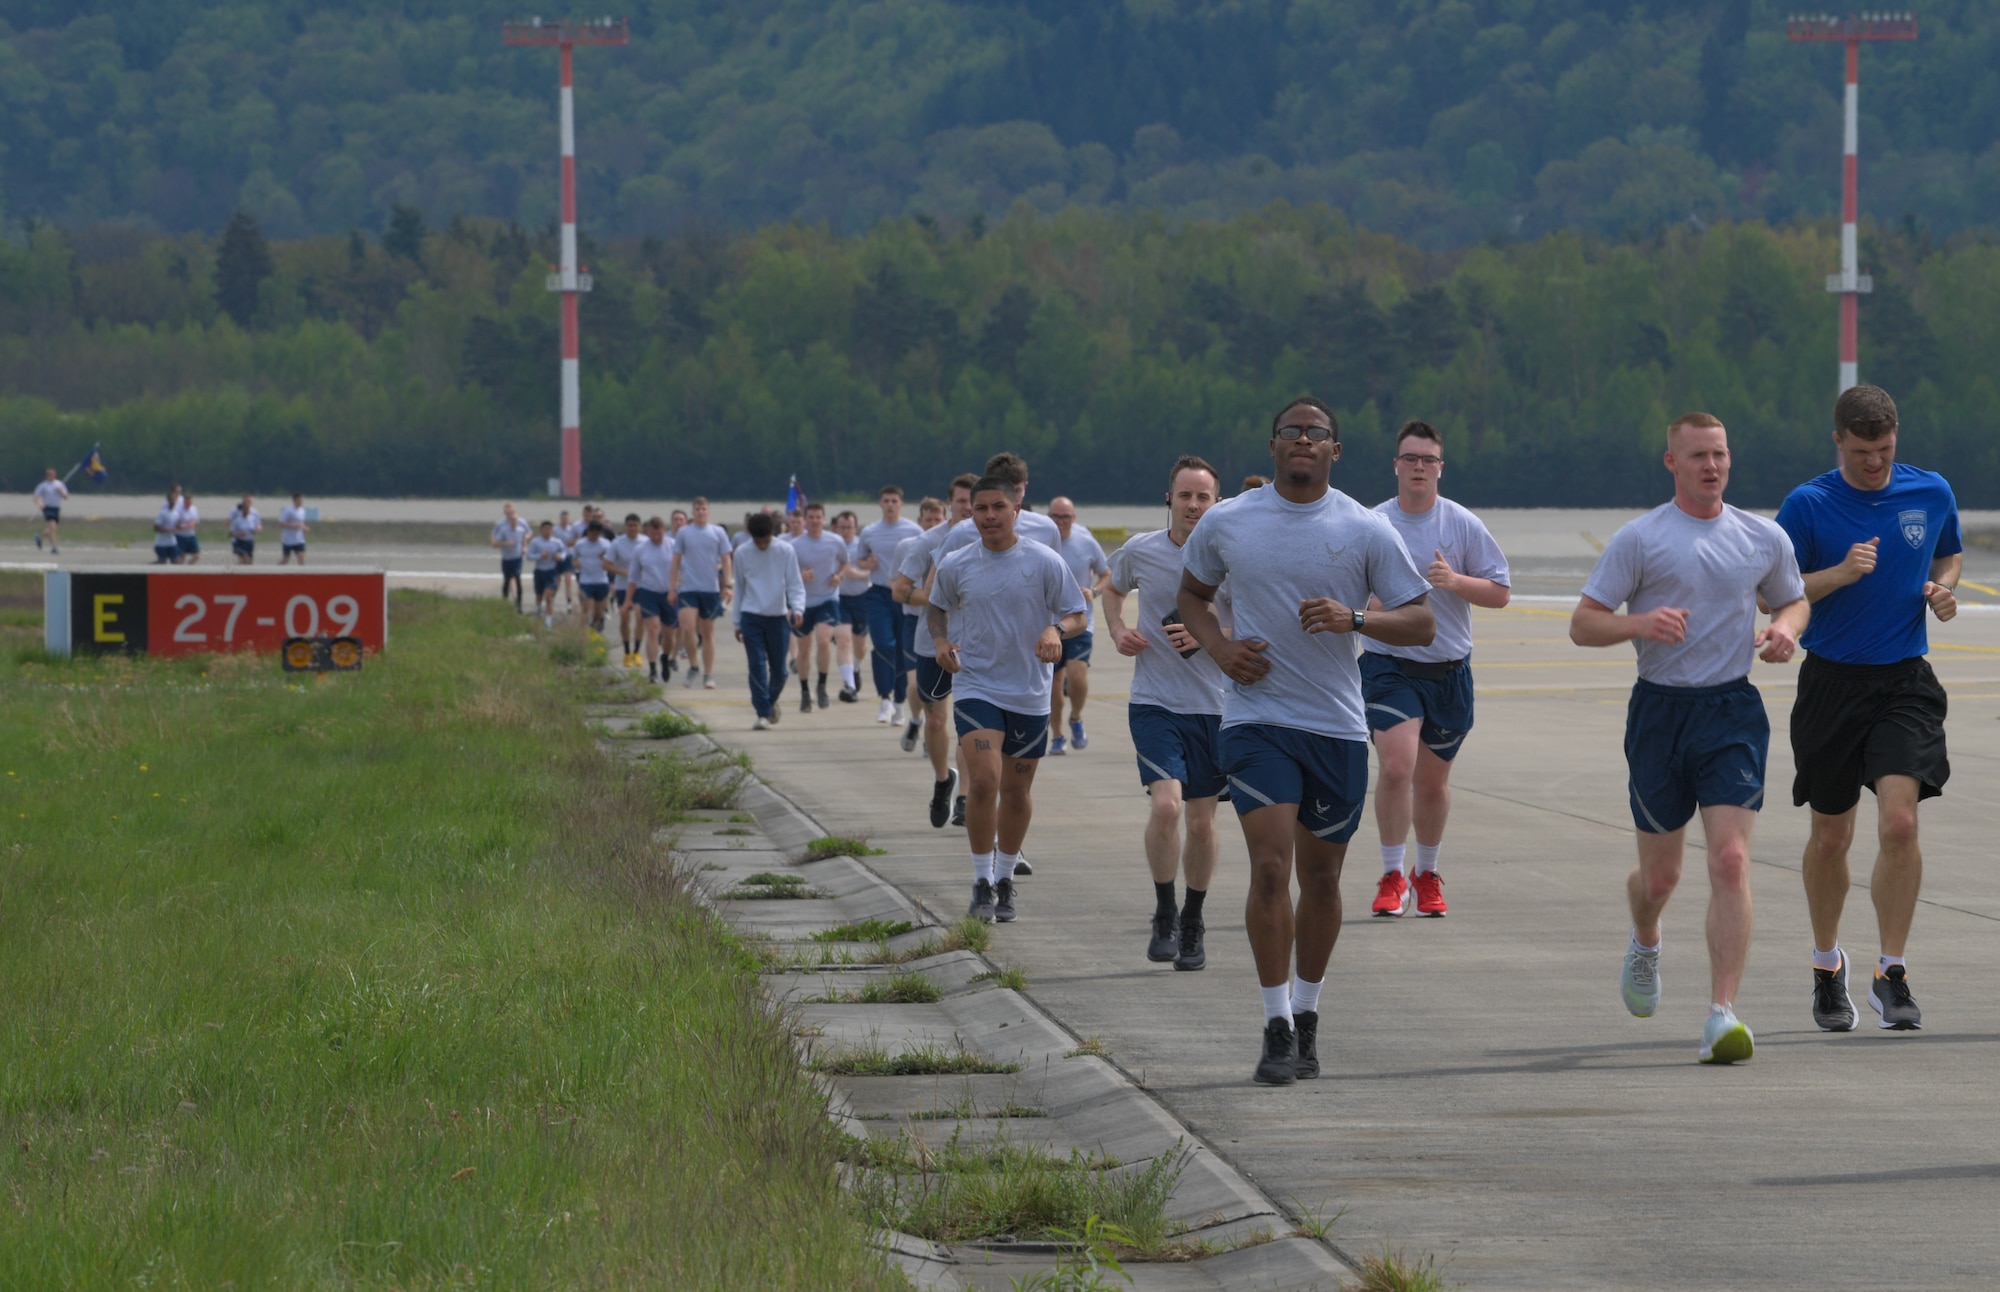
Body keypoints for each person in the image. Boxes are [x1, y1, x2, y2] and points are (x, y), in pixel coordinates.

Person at [1178, 397, 1435, 1087]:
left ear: (1335, 451)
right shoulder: (1230, 521)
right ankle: (1273, 1023)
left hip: (1337, 729)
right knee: (1269, 869)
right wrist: (1221, 650)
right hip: (1257, 722)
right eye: (1290, 432)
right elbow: (1192, 598)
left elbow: (1421, 623)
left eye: (1315, 434)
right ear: (1271, 446)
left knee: (1319, 879)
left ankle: (1308, 1009)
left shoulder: (1364, 529)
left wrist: (1355, 618)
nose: (1302, 441)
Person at [1571, 412, 1808, 1064]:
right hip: (1660, 713)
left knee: (1730, 860)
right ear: (1671, 462)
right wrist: (1640, 624)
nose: (1713, 466)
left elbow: (1793, 598)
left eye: (1721, 454)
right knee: (1662, 874)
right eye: (1699, 455)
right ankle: (1646, 936)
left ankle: (1721, 1013)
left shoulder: (1761, 536)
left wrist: (1787, 629)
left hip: (1731, 710)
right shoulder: (1641, 539)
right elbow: (1583, 625)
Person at [1775, 384, 1960, 1033]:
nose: (1875, 464)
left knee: (1901, 826)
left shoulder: (1931, 491)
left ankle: (1892, 971)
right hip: (1831, 682)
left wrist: (1943, 588)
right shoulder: (1809, 504)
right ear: (1838, 442)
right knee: (1831, 838)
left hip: (1904, 681)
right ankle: (1828, 969)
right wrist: (1839, 575)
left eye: (1883, 450)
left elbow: (1950, 549)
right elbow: (1775, 587)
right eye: (1861, 453)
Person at [1363, 421, 1512, 919]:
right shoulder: (1373, 523)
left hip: (1449, 670)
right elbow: (1345, 588)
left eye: (1428, 459)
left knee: (1430, 782)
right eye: (1411, 458)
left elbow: (1500, 593)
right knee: (1397, 767)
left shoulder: (1462, 524)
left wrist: (1454, 581)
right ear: (1396, 466)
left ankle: (1425, 874)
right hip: (1389, 665)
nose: (1419, 467)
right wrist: (1375, 603)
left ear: (1440, 468)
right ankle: (1391, 873)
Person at [929, 476, 1090, 924]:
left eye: (998, 507)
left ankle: (1004, 878)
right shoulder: (957, 562)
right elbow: (936, 605)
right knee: (983, 782)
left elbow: (1077, 613)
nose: (989, 516)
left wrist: (1055, 630)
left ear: (1015, 510)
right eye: (980, 509)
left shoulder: (1044, 561)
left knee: (1016, 792)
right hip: (977, 685)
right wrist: (941, 642)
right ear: (970, 514)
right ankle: (981, 880)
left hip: (1030, 692)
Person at [1103, 455, 1228, 970]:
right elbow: (1110, 589)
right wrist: (1117, 630)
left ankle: (1193, 921)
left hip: (1216, 708)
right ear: (1169, 500)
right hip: (1155, 702)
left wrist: (1208, 630)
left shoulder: (1230, 558)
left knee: (1201, 824)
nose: (1194, 505)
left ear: (1217, 504)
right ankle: (1164, 910)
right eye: (1185, 495)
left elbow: (1254, 619)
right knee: (1167, 808)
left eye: (1203, 497)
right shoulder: (1142, 551)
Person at [895, 475, 978, 828]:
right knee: (938, 719)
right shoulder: (928, 542)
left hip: (976, 644)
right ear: (949, 505)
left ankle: (964, 799)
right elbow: (900, 590)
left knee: (971, 725)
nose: (968, 509)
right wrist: (938, 597)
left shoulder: (989, 540)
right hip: (933, 642)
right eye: (961, 502)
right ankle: (944, 779)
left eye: (973, 502)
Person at [855, 486, 925, 724]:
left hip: (905, 595)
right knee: (884, 644)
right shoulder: (870, 531)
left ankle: (899, 702)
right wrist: (868, 563)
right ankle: (884, 698)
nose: (890, 505)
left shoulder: (913, 530)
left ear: (901, 504)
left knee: (901, 650)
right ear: (880, 503)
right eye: (886, 500)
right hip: (878, 594)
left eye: (894, 500)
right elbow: (861, 560)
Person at [1047, 496, 1109, 755]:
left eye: (1066, 517)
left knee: (1077, 676)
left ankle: (1076, 718)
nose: (1061, 522)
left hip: (1081, 621)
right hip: (1049, 625)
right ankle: (1058, 735)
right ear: (1048, 517)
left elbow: (1107, 573)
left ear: (1074, 518)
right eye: (1056, 517)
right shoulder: (1042, 544)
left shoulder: (1085, 542)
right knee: (1053, 685)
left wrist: (1093, 591)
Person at [733, 512, 806, 730]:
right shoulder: (742, 553)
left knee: (780, 671)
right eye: (758, 541)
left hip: (778, 617)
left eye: (766, 540)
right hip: (751, 616)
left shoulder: (785, 550)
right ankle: (762, 713)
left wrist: (798, 608)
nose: (762, 545)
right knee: (756, 665)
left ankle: (769, 700)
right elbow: (740, 589)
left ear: (772, 534)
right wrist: (737, 622)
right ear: (751, 536)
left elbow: (795, 583)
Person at [891, 496, 948, 750]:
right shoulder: (908, 546)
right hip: (913, 621)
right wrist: (916, 596)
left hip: (942, 624)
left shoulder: (951, 543)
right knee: (914, 684)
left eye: (938, 519)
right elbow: (896, 584)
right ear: (919, 522)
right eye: (928, 520)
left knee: (941, 692)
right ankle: (916, 720)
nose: (933, 524)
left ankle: (932, 731)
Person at [788, 502, 853, 712]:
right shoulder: (795, 545)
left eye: (819, 517)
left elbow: (844, 563)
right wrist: (801, 576)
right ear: (806, 520)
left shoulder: (835, 541)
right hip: (804, 601)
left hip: (828, 598)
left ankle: (822, 686)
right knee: (804, 649)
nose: (815, 521)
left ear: (824, 520)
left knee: (824, 639)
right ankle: (805, 692)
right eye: (811, 517)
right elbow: (787, 575)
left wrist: (838, 576)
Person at [670, 496, 734, 690]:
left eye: (704, 509)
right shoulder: (684, 533)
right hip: (688, 587)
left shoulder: (718, 532)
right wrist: (672, 588)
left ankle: (708, 673)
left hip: (710, 588)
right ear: (692, 511)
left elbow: (727, 559)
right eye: (697, 509)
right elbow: (675, 562)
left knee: (707, 632)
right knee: (688, 628)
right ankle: (693, 666)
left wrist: (728, 584)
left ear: (709, 511)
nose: (700, 512)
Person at [630, 516, 677, 683]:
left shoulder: (673, 546)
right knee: (653, 629)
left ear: (664, 531)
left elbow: (684, 570)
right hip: (648, 593)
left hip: (669, 593)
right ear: (647, 532)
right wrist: (629, 599)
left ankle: (664, 657)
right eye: (653, 534)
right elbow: (633, 577)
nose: (656, 537)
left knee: (669, 636)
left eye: (659, 534)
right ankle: (652, 669)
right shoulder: (641, 549)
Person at [833, 510, 870, 701]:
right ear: (836, 528)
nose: (846, 531)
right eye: (842, 527)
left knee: (860, 647)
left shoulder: (862, 546)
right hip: (839, 600)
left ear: (856, 528)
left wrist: (859, 574)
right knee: (843, 640)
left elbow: (876, 571)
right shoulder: (831, 545)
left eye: (849, 527)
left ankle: (854, 668)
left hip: (861, 598)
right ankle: (849, 686)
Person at [610, 513, 646, 667]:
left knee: (640, 617)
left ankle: (637, 651)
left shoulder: (646, 542)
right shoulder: (617, 543)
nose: (632, 528)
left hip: (642, 586)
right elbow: (606, 564)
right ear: (625, 527)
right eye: (629, 525)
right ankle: (626, 652)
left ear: (640, 527)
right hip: (623, 586)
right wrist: (623, 572)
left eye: (635, 525)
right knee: (626, 619)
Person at [572, 519, 615, 632]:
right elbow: (572, 559)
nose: (594, 536)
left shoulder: (606, 544)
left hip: (601, 580)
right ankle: (583, 636)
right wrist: (576, 564)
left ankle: (594, 631)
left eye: (597, 533)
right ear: (589, 531)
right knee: (586, 610)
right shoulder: (580, 544)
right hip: (586, 581)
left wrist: (604, 558)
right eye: (592, 533)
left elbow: (612, 561)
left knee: (599, 613)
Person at [526, 520, 567, 627]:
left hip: (551, 571)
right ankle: (539, 608)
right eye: (545, 529)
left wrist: (560, 557)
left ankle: (548, 621)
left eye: (549, 529)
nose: (547, 531)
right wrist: (540, 556)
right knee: (539, 595)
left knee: (549, 596)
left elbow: (564, 552)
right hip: (539, 571)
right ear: (541, 530)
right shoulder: (536, 542)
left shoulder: (557, 542)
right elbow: (529, 556)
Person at [491, 504, 531, 611]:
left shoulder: (522, 526)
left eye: (512, 513)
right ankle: (504, 602)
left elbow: (528, 533)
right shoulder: (502, 527)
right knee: (507, 580)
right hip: (506, 558)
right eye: (508, 513)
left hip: (517, 557)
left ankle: (519, 606)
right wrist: (506, 543)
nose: (510, 516)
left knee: (517, 578)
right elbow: (495, 542)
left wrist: (525, 544)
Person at [32, 468, 66, 554]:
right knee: (52, 527)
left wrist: (60, 491)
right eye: (48, 474)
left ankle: (39, 537)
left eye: (52, 474)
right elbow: (36, 497)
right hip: (47, 508)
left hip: (56, 508)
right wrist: (40, 504)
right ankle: (54, 548)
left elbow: (66, 497)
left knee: (52, 529)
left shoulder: (59, 484)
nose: (50, 476)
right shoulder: (43, 485)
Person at [152, 486, 183, 565]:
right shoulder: (163, 513)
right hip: (162, 543)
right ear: (168, 501)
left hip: (172, 542)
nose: (173, 502)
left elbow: (178, 524)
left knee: (175, 562)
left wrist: (179, 526)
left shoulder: (176, 512)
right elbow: (155, 528)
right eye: (171, 500)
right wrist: (168, 530)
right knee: (162, 562)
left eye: (174, 500)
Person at [227, 495, 262, 565]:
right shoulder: (237, 520)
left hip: (249, 541)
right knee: (245, 559)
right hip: (239, 542)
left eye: (248, 510)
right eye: (245, 509)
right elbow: (230, 534)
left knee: (249, 562)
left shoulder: (252, 517)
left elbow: (258, 526)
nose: (247, 511)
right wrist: (239, 534)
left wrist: (256, 530)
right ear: (242, 510)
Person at [279, 493, 310, 564]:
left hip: (299, 539)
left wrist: (305, 528)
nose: (301, 502)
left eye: (302, 500)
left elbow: (301, 523)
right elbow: (281, 523)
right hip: (288, 540)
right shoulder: (288, 511)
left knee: (301, 559)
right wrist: (293, 525)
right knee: (285, 561)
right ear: (294, 500)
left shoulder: (302, 510)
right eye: (299, 500)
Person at [175, 493, 203, 565]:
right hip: (181, 536)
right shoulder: (179, 509)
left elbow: (197, 521)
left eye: (190, 502)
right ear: (184, 502)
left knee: (197, 556)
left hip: (191, 535)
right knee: (181, 558)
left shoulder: (194, 508)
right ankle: (180, 571)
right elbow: (176, 523)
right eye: (187, 502)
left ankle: (189, 566)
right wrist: (184, 526)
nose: (188, 504)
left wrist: (193, 524)